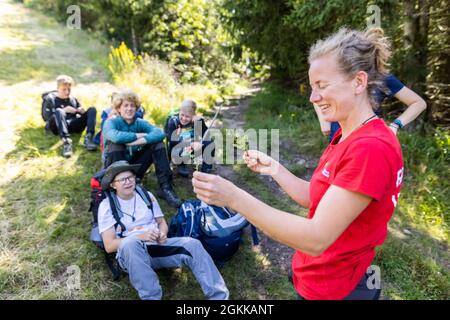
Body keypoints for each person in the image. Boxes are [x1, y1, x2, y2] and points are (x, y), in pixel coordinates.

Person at [192, 28, 404, 300]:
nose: (313, 98)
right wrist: (275, 169)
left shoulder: (370, 148)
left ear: (358, 82)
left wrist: (233, 197)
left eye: (322, 85)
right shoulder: (347, 133)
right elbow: (317, 198)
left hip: (336, 289)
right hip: (319, 277)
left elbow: (316, 238)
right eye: (312, 87)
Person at [98, 161, 229, 300]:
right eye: (122, 179)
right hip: (130, 255)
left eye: (130, 177)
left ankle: (219, 297)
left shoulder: (146, 195)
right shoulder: (106, 206)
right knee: (130, 244)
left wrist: (162, 234)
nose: (128, 182)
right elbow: (109, 245)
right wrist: (140, 237)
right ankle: (151, 297)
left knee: (193, 244)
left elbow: (161, 222)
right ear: (113, 185)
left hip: (155, 247)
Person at [313, 28, 427, 141]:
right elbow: (319, 93)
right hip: (338, 138)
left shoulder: (383, 78)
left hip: (367, 140)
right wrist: (323, 120)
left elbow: (418, 103)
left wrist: (395, 125)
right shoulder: (340, 76)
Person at [102, 89, 182, 208]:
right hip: (115, 167)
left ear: (136, 108)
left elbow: (159, 133)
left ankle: (166, 188)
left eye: (132, 106)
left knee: (157, 143)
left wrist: (140, 141)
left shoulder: (139, 122)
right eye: (126, 105)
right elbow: (115, 136)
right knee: (116, 145)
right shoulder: (111, 122)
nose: (129, 109)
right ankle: (117, 189)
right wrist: (137, 135)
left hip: (135, 166)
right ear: (119, 108)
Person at [42, 75, 97, 157]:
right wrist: (63, 110)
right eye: (64, 89)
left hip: (73, 124)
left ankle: (89, 138)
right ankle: (66, 142)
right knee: (59, 111)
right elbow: (47, 120)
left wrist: (81, 111)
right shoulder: (50, 99)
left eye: (69, 89)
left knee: (92, 109)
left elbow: (80, 111)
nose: (67, 92)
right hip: (57, 127)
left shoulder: (72, 99)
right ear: (57, 88)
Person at [165, 100, 215, 177]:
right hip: (177, 151)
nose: (184, 118)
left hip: (191, 150)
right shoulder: (173, 121)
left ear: (193, 115)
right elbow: (173, 140)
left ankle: (206, 171)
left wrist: (200, 122)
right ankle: (181, 164)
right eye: (182, 115)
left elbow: (206, 135)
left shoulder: (197, 121)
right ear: (179, 112)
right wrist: (191, 143)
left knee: (209, 143)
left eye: (187, 116)